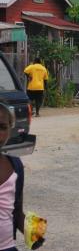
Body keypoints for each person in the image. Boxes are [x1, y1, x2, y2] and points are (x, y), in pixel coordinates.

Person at [0, 102, 28, 250]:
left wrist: (34, 234)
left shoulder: (15, 166)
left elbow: (16, 212)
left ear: (10, 130)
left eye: (2, 127)